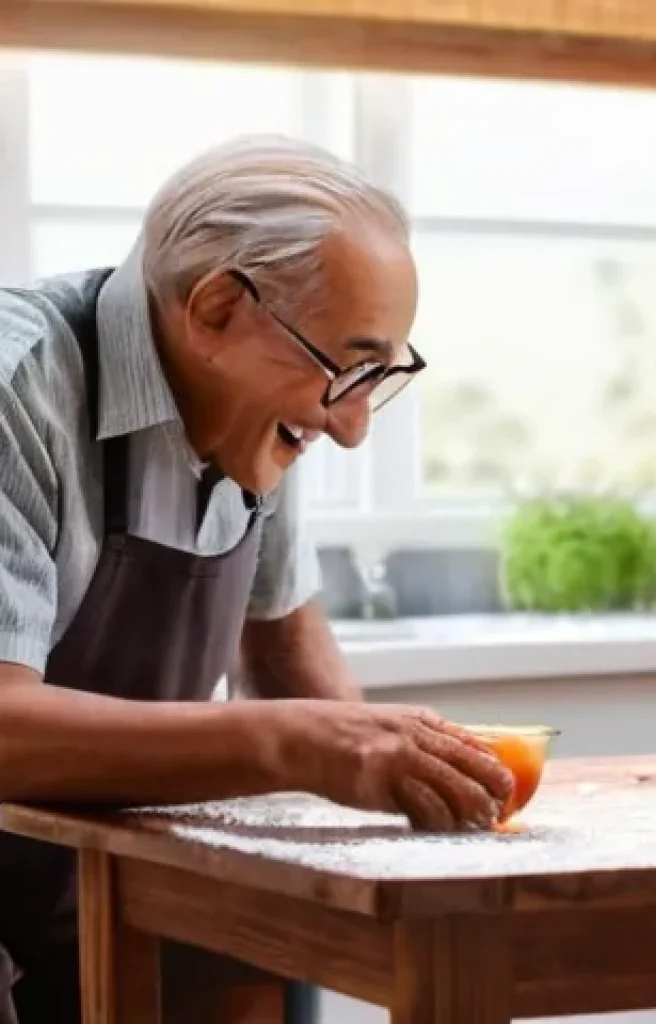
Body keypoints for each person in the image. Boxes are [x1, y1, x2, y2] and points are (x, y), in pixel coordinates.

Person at [0, 134, 513, 1022]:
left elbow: (289, 662)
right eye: (346, 369)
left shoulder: (262, 404)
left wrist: (429, 784)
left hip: (110, 888)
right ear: (216, 309)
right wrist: (296, 744)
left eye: (375, 377)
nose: (353, 427)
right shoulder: (19, 388)